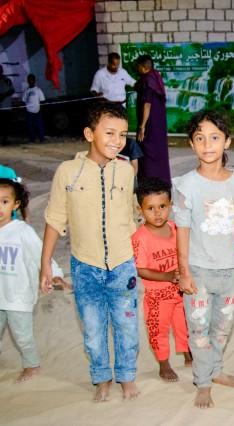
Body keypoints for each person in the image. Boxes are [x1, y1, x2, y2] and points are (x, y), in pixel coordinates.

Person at [40, 102, 139, 402]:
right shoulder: (68, 172)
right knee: (94, 330)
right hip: (85, 267)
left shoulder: (126, 171)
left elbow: (131, 216)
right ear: (89, 134)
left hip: (123, 264)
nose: (117, 140)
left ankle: (127, 376)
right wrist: (46, 264)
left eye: (122, 134)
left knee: (127, 326)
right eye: (109, 133)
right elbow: (55, 218)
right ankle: (101, 378)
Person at [173, 110, 234, 409]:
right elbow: (182, 230)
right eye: (200, 138)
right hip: (199, 271)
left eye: (215, 137)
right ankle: (202, 382)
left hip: (229, 271)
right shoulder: (186, 185)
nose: (207, 145)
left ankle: (216, 370)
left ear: (227, 141)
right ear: (191, 144)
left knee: (221, 327)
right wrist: (184, 271)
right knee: (199, 330)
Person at [0, 178, 66, 383]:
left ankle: (31, 365)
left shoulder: (22, 231)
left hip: (18, 296)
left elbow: (41, 254)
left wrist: (55, 273)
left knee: (22, 336)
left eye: (4, 202)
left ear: (15, 205)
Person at [132, 177, 191, 382]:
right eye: (150, 208)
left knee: (184, 324)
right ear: (140, 209)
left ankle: (187, 354)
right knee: (159, 330)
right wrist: (166, 276)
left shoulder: (176, 228)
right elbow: (140, 269)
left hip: (181, 292)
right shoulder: (140, 238)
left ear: (170, 205)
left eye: (162, 206)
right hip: (157, 297)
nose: (157, 213)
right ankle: (164, 364)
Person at [135, 55, 170, 184]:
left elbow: (147, 104)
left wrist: (142, 126)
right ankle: (162, 181)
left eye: (138, 66)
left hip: (150, 123)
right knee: (159, 152)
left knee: (147, 152)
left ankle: (149, 183)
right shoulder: (156, 77)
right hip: (159, 123)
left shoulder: (148, 80)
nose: (137, 68)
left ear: (143, 67)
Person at [22, 74, 45, 144]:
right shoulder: (27, 91)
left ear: (34, 81)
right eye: (29, 80)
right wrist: (25, 109)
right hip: (29, 111)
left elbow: (42, 100)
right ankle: (32, 140)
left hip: (37, 111)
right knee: (30, 126)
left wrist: (40, 110)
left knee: (39, 125)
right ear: (28, 81)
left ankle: (42, 139)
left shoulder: (38, 90)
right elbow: (24, 100)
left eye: (32, 80)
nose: (31, 81)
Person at [0, 64, 15, 145]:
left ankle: (5, 140)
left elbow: (12, 90)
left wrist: (4, 95)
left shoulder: (7, 80)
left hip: (6, 106)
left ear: (2, 71)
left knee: (6, 125)